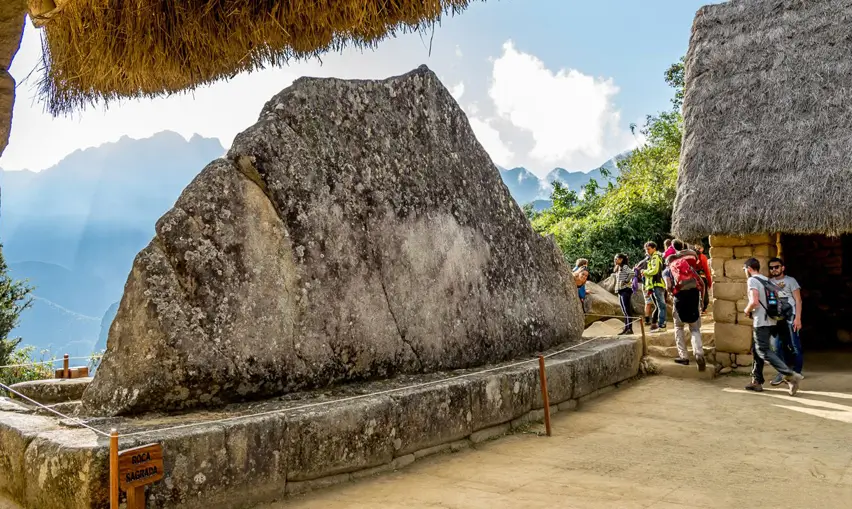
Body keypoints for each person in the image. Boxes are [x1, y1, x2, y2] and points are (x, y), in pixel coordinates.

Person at [742, 258, 803, 395]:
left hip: (761, 322)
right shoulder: (766, 280)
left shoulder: (752, 280)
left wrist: (746, 310)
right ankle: (756, 381)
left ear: (749, 268)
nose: (745, 272)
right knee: (757, 349)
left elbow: (754, 301)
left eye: (745, 269)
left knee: (763, 350)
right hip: (772, 320)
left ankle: (790, 375)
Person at [664, 240, 706, 371]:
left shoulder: (667, 270)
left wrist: (670, 295)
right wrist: (702, 302)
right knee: (694, 328)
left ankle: (684, 357)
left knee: (678, 327)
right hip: (693, 297)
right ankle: (698, 353)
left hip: (679, 299)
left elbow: (668, 286)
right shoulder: (689, 267)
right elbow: (702, 284)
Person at [767, 257, 804, 386]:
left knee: (794, 346)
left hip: (791, 317)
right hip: (776, 319)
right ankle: (783, 372)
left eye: (776, 267)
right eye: (771, 268)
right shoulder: (769, 282)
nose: (774, 270)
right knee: (776, 346)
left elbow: (798, 300)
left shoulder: (791, 281)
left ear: (782, 267)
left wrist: (798, 318)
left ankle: (797, 373)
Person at [641, 242, 667, 332]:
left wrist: (645, 272)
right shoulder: (652, 257)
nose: (647, 251)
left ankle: (662, 325)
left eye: (648, 249)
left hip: (657, 284)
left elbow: (655, 271)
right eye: (646, 250)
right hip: (653, 285)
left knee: (661, 306)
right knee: (658, 306)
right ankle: (656, 324)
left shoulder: (656, 257)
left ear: (654, 248)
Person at [613, 253, 633, 335]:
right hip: (620, 290)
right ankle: (626, 328)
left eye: (616, 258)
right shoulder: (619, 268)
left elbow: (632, 273)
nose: (615, 260)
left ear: (621, 259)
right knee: (624, 311)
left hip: (625, 290)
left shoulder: (625, 266)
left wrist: (626, 281)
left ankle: (630, 329)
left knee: (627, 310)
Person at [692, 242, 713, 313]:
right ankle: (703, 309)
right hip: (701, 277)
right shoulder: (703, 257)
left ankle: (696, 308)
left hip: (692, 277)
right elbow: (707, 271)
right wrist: (710, 282)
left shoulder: (690, 257)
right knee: (704, 293)